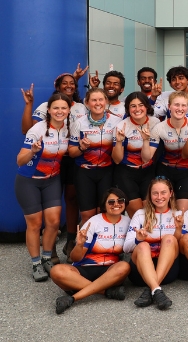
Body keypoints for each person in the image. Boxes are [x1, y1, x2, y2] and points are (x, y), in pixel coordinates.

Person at [22, 72, 87, 257]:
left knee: (72, 199)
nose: (69, 86)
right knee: (53, 201)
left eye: (72, 83)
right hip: (51, 159)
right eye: (64, 83)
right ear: (57, 87)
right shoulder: (46, 107)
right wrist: (29, 106)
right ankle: (49, 251)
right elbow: (27, 130)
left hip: (73, 157)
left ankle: (70, 241)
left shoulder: (81, 107)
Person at [16, 93, 71, 281]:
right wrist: (32, 151)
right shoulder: (37, 129)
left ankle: (47, 257)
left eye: (63, 108)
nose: (60, 111)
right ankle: (36, 263)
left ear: (68, 110)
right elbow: (19, 161)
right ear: (48, 110)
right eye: (56, 108)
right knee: (35, 224)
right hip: (29, 180)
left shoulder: (68, 128)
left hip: (52, 180)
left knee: (54, 222)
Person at [50, 188, 131, 313]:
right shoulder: (94, 222)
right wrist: (79, 245)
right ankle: (106, 292)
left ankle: (73, 298)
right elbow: (76, 258)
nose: (116, 204)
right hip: (84, 268)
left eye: (120, 200)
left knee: (124, 266)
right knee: (56, 271)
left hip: (109, 270)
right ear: (104, 204)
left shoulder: (128, 222)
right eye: (111, 202)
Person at [124, 177, 183, 310]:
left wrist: (178, 229)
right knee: (143, 245)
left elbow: (179, 247)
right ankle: (156, 290)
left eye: (163, 192)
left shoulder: (178, 215)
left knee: (169, 239)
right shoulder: (140, 215)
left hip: (167, 271)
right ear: (149, 195)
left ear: (171, 193)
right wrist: (138, 239)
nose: (159, 197)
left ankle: (152, 288)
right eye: (155, 193)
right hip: (140, 272)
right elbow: (126, 248)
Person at [69, 88, 122, 227]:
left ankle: (103, 245)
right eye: (94, 100)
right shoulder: (79, 123)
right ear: (87, 103)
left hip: (107, 171)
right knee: (87, 214)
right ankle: (84, 246)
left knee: (104, 211)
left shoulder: (117, 122)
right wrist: (81, 148)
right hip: (84, 171)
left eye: (101, 99)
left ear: (106, 102)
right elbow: (72, 152)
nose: (98, 103)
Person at [149, 91, 188, 212]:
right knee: (163, 210)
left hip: (187, 171)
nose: (180, 109)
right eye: (176, 105)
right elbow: (149, 156)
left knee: (182, 213)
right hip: (165, 170)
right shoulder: (159, 127)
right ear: (169, 106)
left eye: (184, 105)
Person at [113, 92, 161, 217]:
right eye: (133, 106)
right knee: (137, 214)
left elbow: (147, 157)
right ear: (128, 109)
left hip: (148, 171)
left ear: (147, 107)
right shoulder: (121, 126)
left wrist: (145, 140)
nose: (137, 109)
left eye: (141, 105)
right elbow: (117, 160)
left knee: (149, 213)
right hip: (126, 173)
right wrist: (119, 142)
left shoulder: (155, 123)